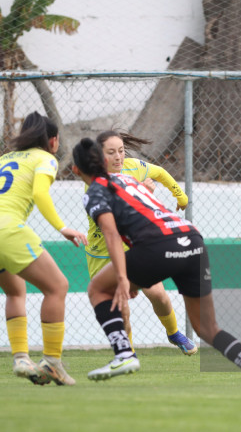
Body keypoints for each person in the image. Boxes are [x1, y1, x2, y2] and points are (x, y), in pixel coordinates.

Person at [71, 138, 241, 386]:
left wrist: (124, 278)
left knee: (97, 289)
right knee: (206, 327)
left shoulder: (94, 193)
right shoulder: (128, 179)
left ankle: (125, 354)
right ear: (103, 160)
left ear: (76, 170)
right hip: (191, 239)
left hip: (156, 245)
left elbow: (112, 234)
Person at [84, 130, 196, 355]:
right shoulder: (95, 182)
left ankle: (174, 333)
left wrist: (180, 196)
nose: (118, 157)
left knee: (158, 294)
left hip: (133, 247)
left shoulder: (133, 167)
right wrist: (143, 192)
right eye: (111, 152)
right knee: (121, 308)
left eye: (121, 151)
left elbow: (160, 172)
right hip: (104, 252)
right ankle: (129, 354)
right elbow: (114, 219)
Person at [0, 112, 87, 385]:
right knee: (57, 286)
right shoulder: (45, 158)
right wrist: (63, 227)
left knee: (15, 291)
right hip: (8, 230)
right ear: (53, 140)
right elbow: (39, 193)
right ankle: (51, 362)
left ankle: (21, 358)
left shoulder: (4, 159)